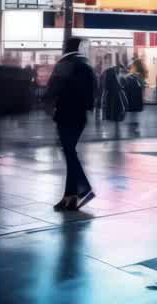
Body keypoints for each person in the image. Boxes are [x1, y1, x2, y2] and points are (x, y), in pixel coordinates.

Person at [44, 37, 97, 211]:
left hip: (65, 114)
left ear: (66, 47)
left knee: (69, 153)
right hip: (80, 116)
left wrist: (48, 103)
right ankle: (70, 196)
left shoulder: (65, 63)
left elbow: (52, 88)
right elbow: (94, 91)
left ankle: (83, 190)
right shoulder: (86, 65)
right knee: (69, 152)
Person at [123, 59, 147, 136]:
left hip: (133, 95)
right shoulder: (141, 74)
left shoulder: (135, 75)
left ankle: (133, 128)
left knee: (132, 112)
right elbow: (142, 86)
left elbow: (127, 79)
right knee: (134, 113)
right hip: (137, 96)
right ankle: (134, 128)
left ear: (135, 66)